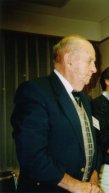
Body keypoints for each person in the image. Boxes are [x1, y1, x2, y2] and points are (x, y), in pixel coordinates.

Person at [11, 35, 102, 193]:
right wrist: (74, 185)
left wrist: (93, 174)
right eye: (90, 61)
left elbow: (91, 140)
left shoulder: (84, 99)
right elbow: (31, 155)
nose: (95, 69)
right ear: (69, 59)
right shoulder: (35, 91)